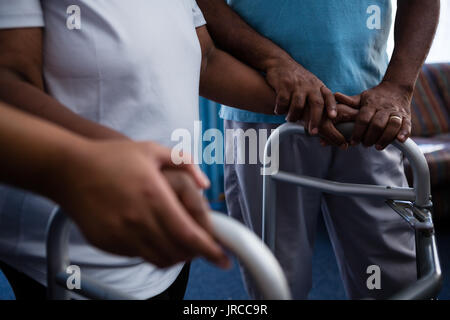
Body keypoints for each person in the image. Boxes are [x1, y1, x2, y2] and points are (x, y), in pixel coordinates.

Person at [0, 0, 346, 300]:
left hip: (160, 215)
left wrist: (318, 108)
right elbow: (9, 80)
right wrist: (110, 156)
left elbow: (206, 61)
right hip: (73, 232)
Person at [197, 0, 440, 299]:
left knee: (393, 281)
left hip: (367, 117)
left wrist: (399, 86)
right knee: (276, 282)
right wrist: (273, 60)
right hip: (261, 115)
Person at [0, 101, 230, 298]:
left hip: (159, 221)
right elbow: (10, 82)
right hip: (73, 238)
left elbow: (207, 59)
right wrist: (95, 164)